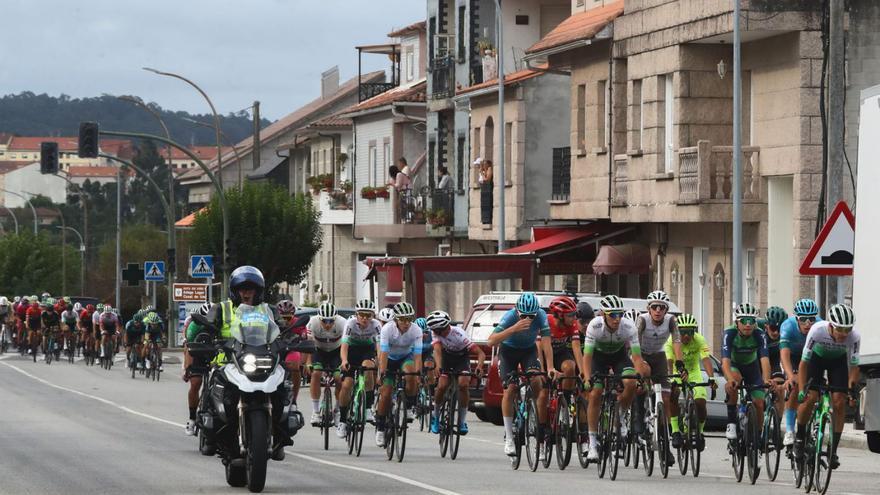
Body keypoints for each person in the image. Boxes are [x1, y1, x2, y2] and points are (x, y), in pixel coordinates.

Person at [204, 265, 294, 461]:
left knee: (285, 382)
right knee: (213, 383)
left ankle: (282, 429)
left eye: (251, 289)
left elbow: (282, 328)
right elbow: (208, 325)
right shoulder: (222, 308)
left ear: (258, 291)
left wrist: (290, 338)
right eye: (242, 289)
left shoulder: (269, 310)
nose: (246, 292)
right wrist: (207, 335)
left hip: (262, 357)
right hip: (228, 359)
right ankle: (208, 431)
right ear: (235, 291)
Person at [487, 292, 555, 456]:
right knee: (510, 389)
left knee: (537, 382)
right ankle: (509, 437)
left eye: (531, 316)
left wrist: (551, 367)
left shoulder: (540, 315)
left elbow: (546, 343)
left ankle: (537, 423)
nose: (528, 319)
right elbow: (491, 341)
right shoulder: (510, 316)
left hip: (528, 352)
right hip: (508, 352)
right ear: (518, 311)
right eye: (524, 315)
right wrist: (514, 328)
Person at [793, 304, 860, 469]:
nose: (844, 334)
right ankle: (800, 437)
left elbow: (854, 367)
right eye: (840, 330)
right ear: (830, 326)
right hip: (816, 359)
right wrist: (802, 390)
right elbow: (803, 363)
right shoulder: (817, 330)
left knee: (838, 401)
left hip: (837, 362)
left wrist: (851, 391)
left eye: (848, 329)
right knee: (810, 398)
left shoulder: (855, 337)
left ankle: (833, 450)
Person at [581, 294, 644, 461]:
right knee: (595, 393)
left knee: (631, 383)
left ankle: (621, 415)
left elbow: (637, 357)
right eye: (613, 315)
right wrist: (587, 378)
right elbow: (587, 356)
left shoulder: (629, 326)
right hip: (598, 358)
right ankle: (593, 443)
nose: (617, 319)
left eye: (620, 314)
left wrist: (639, 376)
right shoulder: (594, 326)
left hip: (619, 357)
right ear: (603, 314)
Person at [634, 290, 684, 452]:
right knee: (643, 379)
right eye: (654, 307)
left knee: (666, 396)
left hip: (659, 356)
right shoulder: (642, 320)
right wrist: (639, 364)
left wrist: (680, 363)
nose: (657, 311)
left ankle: (666, 435)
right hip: (641, 354)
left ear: (666, 310)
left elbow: (676, 341)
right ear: (649, 308)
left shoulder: (671, 321)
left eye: (661, 308)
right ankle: (640, 419)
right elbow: (635, 343)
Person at [427, 310, 485, 435]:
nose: (436, 333)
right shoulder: (435, 332)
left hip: (461, 359)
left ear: (446, 327)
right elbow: (437, 350)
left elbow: (481, 353)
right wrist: (438, 365)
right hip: (446, 357)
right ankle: (435, 416)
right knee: (442, 386)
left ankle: (462, 421)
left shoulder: (459, 335)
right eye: (434, 331)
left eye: (438, 331)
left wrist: (479, 366)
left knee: (463, 385)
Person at [721, 302, 774, 440]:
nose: (748, 325)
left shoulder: (759, 334)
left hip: (752, 367)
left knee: (759, 402)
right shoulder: (729, 333)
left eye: (752, 321)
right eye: (744, 321)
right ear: (737, 322)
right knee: (735, 380)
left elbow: (764, 360)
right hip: (734, 365)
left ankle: (758, 434)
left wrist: (766, 379)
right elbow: (725, 361)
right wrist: (729, 379)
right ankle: (732, 423)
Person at [375, 301, 423, 447]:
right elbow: (383, 353)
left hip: (405, 358)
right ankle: (381, 429)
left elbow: (417, 356)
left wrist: (418, 374)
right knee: (386, 394)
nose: (406, 323)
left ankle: (408, 406)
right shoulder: (387, 329)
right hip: (388, 359)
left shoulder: (416, 330)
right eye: (403, 319)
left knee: (411, 374)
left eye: (409, 319)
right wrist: (381, 373)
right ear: (396, 320)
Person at [667, 314, 716, 451]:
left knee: (700, 402)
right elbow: (669, 361)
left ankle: (700, 432)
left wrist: (712, 378)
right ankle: (676, 430)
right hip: (676, 371)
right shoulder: (672, 341)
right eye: (683, 332)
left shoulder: (700, 339)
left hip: (694, 372)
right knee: (673, 393)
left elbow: (706, 359)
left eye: (690, 332)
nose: (687, 336)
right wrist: (671, 379)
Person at [337, 299, 381, 439]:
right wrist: (344, 361)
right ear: (357, 314)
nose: (364, 318)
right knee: (347, 385)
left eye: (368, 315)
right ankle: (343, 421)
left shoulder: (376, 325)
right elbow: (344, 345)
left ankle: (368, 408)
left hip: (367, 350)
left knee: (368, 368)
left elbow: (380, 347)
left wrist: (379, 364)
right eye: (361, 314)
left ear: (372, 316)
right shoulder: (350, 324)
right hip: (351, 351)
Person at [780, 298, 821, 446]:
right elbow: (784, 354)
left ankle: (815, 421)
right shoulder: (787, 326)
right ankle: (790, 430)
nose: (808, 324)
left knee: (818, 389)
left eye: (811, 319)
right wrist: (790, 376)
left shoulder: (820, 325)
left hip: (811, 357)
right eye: (803, 319)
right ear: (796, 318)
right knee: (795, 385)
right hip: (793, 358)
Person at [306, 302, 346, 427]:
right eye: (325, 321)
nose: (328, 324)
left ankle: (337, 409)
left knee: (339, 378)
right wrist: (308, 363)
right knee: (316, 374)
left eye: (331, 321)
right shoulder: (312, 323)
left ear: (335, 319)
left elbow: (346, 345)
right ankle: (316, 411)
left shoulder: (342, 323)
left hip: (336, 352)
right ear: (319, 318)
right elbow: (308, 345)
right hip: (318, 351)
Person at [182, 302, 216, 435]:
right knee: (196, 383)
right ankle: (191, 418)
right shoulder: (194, 326)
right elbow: (188, 348)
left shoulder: (221, 322)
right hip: (197, 353)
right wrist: (187, 368)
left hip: (216, 353)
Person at [545, 296, 582, 396]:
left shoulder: (573, 324)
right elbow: (540, 347)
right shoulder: (546, 322)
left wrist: (582, 371)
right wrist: (547, 369)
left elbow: (576, 347)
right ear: (560, 315)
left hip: (560, 352)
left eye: (575, 314)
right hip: (544, 354)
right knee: (543, 394)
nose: (574, 318)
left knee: (570, 367)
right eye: (571, 315)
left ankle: (565, 402)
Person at [276, 300, 303, 407]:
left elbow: (305, 337)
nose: (285, 320)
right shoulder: (271, 322)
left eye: (288, 317)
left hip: (291, 349)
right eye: (282, 317)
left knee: (294, 364)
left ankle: (294, 400)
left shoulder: (298, 323)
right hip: (275, 350)